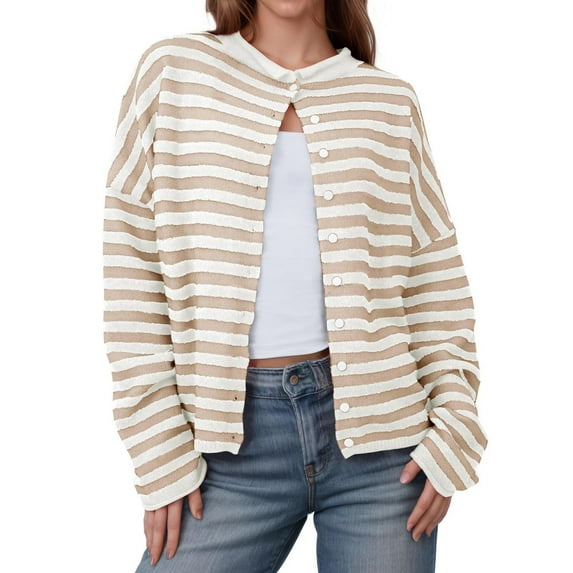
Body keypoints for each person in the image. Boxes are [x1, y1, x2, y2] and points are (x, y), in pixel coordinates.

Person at [102, 0, 488, 571]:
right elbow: (131, 263)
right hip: (220, 450)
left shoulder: (388, 101)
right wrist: (158, 448)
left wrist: (454, 428)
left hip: (384, 449)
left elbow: (431, 272)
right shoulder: (174, 72)